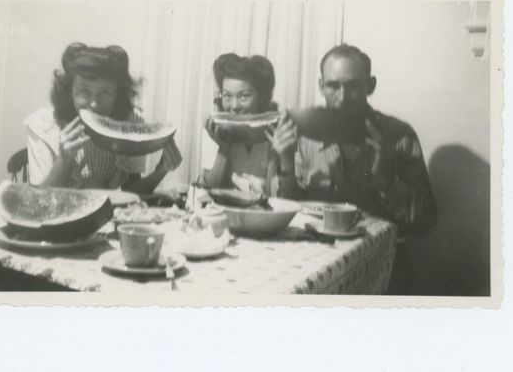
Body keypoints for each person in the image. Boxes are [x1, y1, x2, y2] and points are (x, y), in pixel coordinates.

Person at [270, 44, 438, 294]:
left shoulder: (398, 135)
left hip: (383, 266)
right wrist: (284, 162)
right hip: (316, 262)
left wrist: (387, 180)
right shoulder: (302, 135)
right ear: (320, 86)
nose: (342, 98)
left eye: (353, 86)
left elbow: (426, 223)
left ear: (370, 86)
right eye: (333, 86)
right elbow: (285, 214)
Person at [24, 43, 182, 193]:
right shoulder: (42, 125)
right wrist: (64, 162)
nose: (94, 104)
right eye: (84, 91)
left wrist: (161, 171)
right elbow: (37, 202)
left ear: (117, 95)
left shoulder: (130, 120)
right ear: (69, 91)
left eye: (105, 93)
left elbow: (130, 192)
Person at [201, 53, 279, 195]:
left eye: (244, 96)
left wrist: (276, 154)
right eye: (227, 96)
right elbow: (208, 192)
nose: (234, 106)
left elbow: (275, 196)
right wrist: (223, 149)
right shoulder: (214, 129)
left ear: (261, 97)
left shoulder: (275, 130)